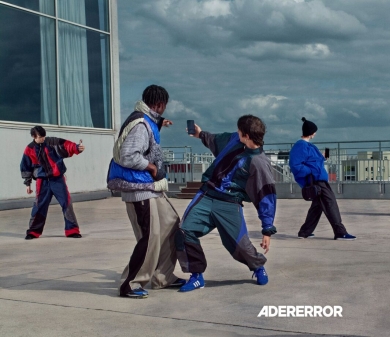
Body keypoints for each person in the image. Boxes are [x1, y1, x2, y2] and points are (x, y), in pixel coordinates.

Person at [175, 115, 277, 292]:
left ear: (246, 135)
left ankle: (257, 266)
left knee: (240, 247)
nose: (236, 133)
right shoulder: (233, 139)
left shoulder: (260, 163)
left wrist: (267, 229)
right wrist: (200, 134)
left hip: (230, 203)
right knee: (184, 231)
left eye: (239, 131)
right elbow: (216, 139)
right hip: (207, 194)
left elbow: (265, 197)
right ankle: (196, 276)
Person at [107, 84, 184, 299]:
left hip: (151, 188)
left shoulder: (148, 120)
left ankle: (163, 276)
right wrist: (151, 167)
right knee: (149, 236)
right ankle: (130, 284)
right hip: (139, 189)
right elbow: (128, 155)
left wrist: (161, 123)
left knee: (170, 223)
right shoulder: (140, 124)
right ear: (159, 104)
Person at [289, 117, 356, 240]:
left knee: (317, 206)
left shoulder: (307, 146)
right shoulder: (301, 146)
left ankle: (305, 232)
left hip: (318, 180)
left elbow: (312, 161)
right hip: (315, 181)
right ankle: (340, 232)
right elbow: (295, 165)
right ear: (312, 132)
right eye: (315, 131)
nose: (315, 133)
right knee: (330, 204)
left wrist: (322, 158)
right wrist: (311, 172)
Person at [20, 126, 85, 240]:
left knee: (67, 203)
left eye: (44, 136)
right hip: (42, 181)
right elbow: (25, 167)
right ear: (33, 137)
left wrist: (77, 148)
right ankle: (33, 232)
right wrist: (28, 184)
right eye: (40, 137)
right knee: (39, 206)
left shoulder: (51, 142)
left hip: (58, 180)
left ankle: (72, 230)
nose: (43, 139)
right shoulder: (29, 149)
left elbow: (66, 145)